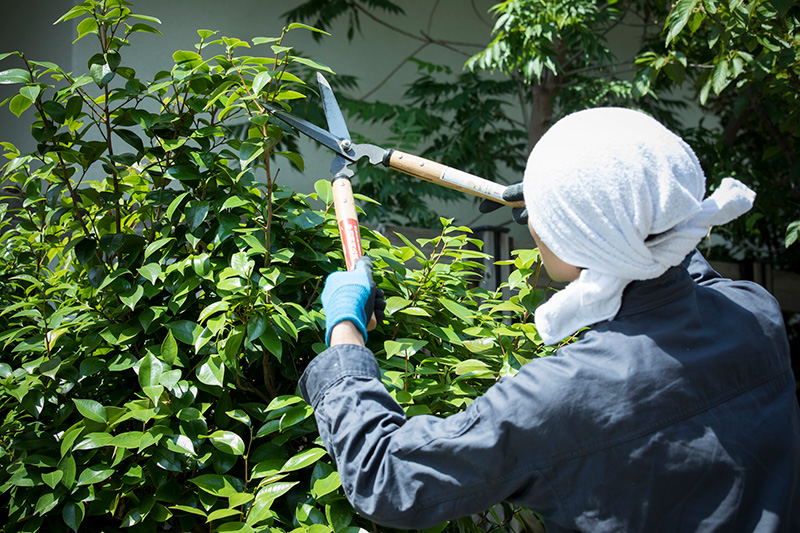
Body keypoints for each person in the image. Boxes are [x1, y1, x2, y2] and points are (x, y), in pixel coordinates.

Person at [298, 108, 800, 532]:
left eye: (546, 216)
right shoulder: (753, 311)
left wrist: (346, 332)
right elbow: (667, 243)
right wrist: (571, 204)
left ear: (584, 237)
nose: (534, 224)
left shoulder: (562, 395)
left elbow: (387, 476)